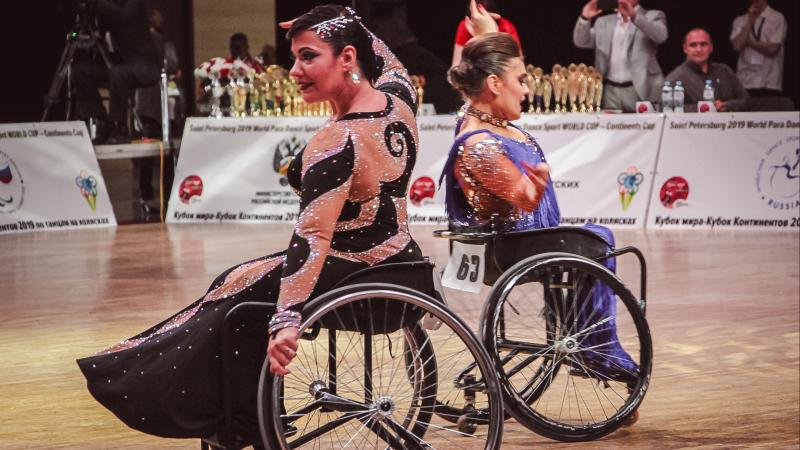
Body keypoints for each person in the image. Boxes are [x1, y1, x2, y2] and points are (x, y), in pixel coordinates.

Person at [77, 5, 428, 446]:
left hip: (354, 266)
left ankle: (238, 420)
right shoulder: (399, 100)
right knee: (233, 281)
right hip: (402, 260)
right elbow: (382, 50)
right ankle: (207, 398)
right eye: (295, 57)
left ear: (346, 57)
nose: (295, 70)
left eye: (308, 56)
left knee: (238, 305)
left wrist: (286, 318)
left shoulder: (336, 142)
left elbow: (313, 235)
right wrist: (336, 15)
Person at [442, 4, 640, 423]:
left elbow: (481, 68)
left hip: (520, 239)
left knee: (594, 235)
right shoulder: (478, 140)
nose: (527, 88)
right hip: (516, 246)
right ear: (495, 84)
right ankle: (596, 347)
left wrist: (487, 33)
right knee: (597, 238)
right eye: (521, 80)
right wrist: (538, 183)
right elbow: (524, 198)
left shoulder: (476, 112)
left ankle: (586, 337)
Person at [71, 0, 161, 144]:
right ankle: (102, 121)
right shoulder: (107, 7)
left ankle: (120, 129)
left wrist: (95, 4)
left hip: (143, 65)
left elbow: (122, 16)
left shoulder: (133, 3)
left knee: (117, 73)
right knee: (81, 72)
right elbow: (99, 31)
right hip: (119, 64)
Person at [573, 0, 667, 113]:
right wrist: (585, 18)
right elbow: (581, 42)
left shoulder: (652, 16)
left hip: (640, 89)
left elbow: (661, 36)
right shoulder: (603, 21)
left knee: (645, 129)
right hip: (610, 91)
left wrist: (634, 16)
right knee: (610, 129)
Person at [666, 28, 749, 112]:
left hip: (731, 123)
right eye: (693, 45)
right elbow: (667, 108)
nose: (699, 49)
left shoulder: (725, 71)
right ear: (685, 49)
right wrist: (704, 108)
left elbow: (746, 100)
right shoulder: (675, 78)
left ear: (711, 47)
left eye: (703, 44)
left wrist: (727, 105)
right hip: (694, 124)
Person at [730, 0, 787, 98]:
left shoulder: (777, 17)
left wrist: (749, 42)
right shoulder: (740, 20)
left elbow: (773, 49)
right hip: (744, 82)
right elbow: (737, 46)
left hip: (769, 82)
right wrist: (750, 21)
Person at [451, 0, 521, 67]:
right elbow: (455, 67)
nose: (477, 26)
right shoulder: (465, 25)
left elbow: (517, 66)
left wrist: (489, 37)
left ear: (494, 17)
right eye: (474, 20)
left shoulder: (506, 27)